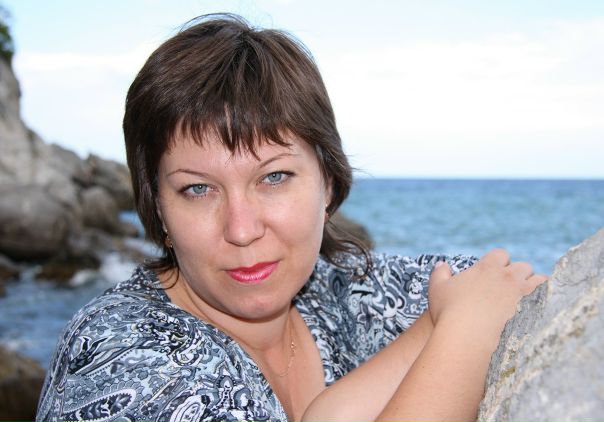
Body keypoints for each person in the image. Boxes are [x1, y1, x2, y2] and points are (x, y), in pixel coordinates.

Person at [36, 14, 546, 422]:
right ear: (159, 208)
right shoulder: (119, 363)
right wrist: (464, 337)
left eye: (274, 177)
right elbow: (475, 314)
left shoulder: (350, 294)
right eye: (198, 189)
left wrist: (443, 321)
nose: (241, 229)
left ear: (328, 181)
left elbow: (505, 289)